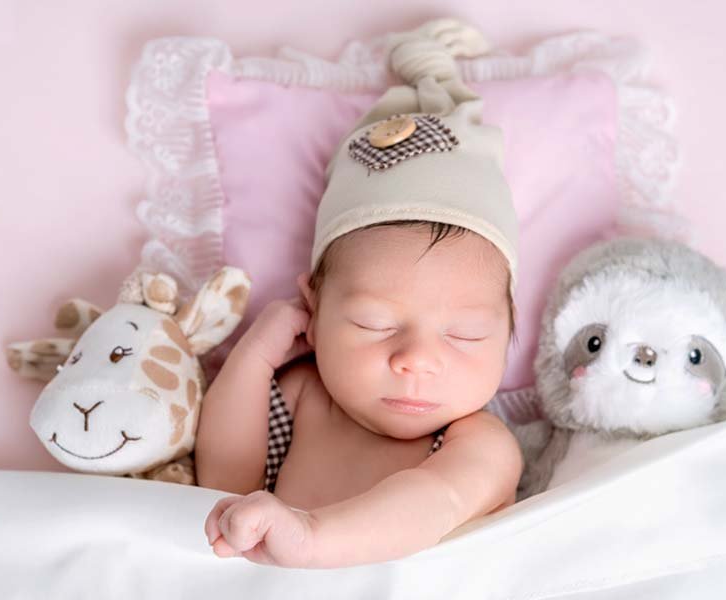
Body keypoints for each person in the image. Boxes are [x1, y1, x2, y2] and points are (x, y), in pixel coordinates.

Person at [195, 19, 523, 568]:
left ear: (509, 328)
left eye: (465, 334)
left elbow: (434, 502)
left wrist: (312, 537)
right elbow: (224, 488)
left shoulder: (481, 441)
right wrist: (254, 358)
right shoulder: (302, 398)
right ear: (313, 310)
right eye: (375, 323)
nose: (416, 359)